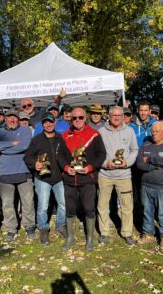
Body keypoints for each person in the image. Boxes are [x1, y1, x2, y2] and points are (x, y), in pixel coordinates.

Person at [58, 107, 106, 251]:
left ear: (85, 118)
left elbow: (101, 155)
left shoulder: (94, 134)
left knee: (89, 209)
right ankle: (70, 237)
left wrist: (90, 168)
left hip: (87, 179)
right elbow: (59, 156)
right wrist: (66, 168)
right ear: (70, 119)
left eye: (80, 117)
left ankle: (90, 239)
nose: (77, 120)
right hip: (70, 179)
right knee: (70, 209)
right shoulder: (65, 135)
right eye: (74, 118)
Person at [0, 108, 35, 242]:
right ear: (5, 118)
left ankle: (29, 226)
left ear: (18, 119)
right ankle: (11, 228)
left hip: (24, 170)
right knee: (7, 203)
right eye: (9, 117)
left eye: (15, 117)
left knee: (28, 201)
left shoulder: (25, 130)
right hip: (5, 172)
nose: (12, 120)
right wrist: (12, 143)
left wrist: (3, 149)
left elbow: (25, 146)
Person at [98, 106, 138, 246]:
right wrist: (105, 164)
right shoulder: (101, 132)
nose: (116, 117)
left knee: (127, 205)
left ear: (123, 116)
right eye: (113, 115)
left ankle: (127, 232)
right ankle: (104, 232)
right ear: (109, 116)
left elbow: (134, 150)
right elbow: (97, 154)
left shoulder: (129, 131)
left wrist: (127, 162)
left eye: (119, 115)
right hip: (105, 174)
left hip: (124, 175)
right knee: (102, 205)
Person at [24, 112, 67, 246]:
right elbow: (27, 157)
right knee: (43, 206)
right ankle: (43, 229)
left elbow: (66, 155)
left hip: (58, 177)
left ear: (55, 123)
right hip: (43, 179)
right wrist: (34, 163)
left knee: (63, 204)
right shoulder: (36, 140)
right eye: (45, 122)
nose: (48, 124)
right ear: (43, 125)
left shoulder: (60, 138)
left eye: (50, 122)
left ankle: (61, 225)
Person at [136, 122, 163, 251]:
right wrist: (155, 166)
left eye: (157, 131)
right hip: (146, 184)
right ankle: (148, 234)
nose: (153, 134)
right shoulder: (146, 145)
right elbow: (139, 164)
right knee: (147, 211)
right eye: (152, 131)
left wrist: (150, 159)